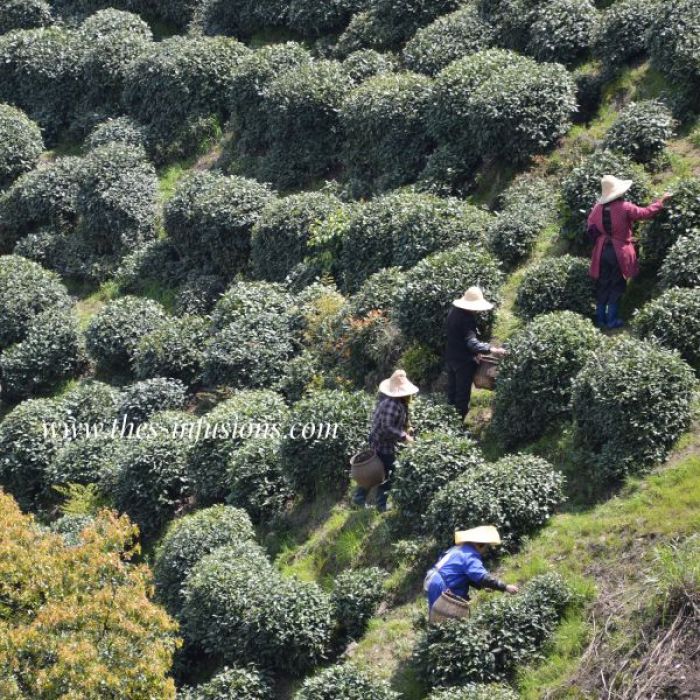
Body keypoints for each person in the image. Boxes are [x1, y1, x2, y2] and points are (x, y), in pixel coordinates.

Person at [588, 175, 671, 329]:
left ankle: (600, 320)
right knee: (617, 284)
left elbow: (591, 227)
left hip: (601, 251)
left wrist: (601, 236)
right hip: (619, 252)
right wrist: (660, 202)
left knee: (603, 284)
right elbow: (645, 213)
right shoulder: (625, 207)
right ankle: (612, 321)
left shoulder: (596, 208)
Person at [352, 369, 418, 513]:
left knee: (376, 472)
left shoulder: (399, 402)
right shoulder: (391, 404)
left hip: (382, 442)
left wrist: (407, 428)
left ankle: (359, 498)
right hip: (382, 443)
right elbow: (387, 427)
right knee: (389, 473)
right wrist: (403, 436)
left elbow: (396, 421)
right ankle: (381, 505)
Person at [424, 526, 518, 624]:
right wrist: (505, 587)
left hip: (434, 581)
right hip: (440, 585)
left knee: (439, 620)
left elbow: (464, 574)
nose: (486, 550)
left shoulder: (459, 549)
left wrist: (482, 586)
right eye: (487, 546)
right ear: (480, 544)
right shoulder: (469, 555)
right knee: (443, 622)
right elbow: (483, 577)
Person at [445, 287, 507, 420]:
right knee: (462, 397)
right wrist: (492, 349)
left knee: (451, 394)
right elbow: (472, 343)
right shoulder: (467, 319)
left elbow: (457, 337)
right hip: (462, 363)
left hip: (450, 358)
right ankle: (457, 429)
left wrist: (474, 353)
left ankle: (447, 422)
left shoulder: (453, 312)